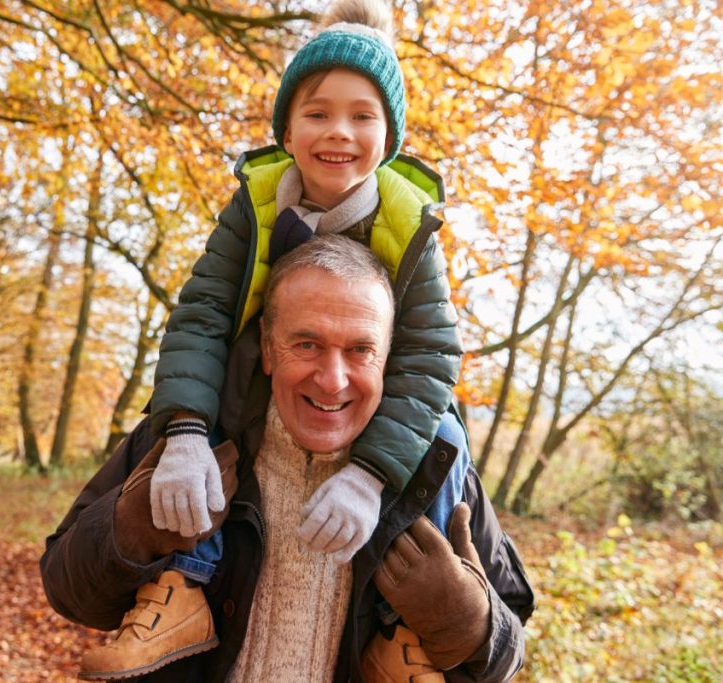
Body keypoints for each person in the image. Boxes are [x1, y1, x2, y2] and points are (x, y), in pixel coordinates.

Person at [79, 0, 464, 675]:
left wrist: (371, 475)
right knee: (215, 397)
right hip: (258, 383)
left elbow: (430, 356)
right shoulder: (255, 204)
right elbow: (201, 313)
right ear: (287, 127)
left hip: (376, 416)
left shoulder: (412, 225)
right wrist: (186, 431)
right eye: (317, 113)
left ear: (390, 134)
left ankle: (402, 633)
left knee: (446, 436)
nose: (338, 132)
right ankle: (181, 581)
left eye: (362, 115)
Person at [41, 236, 534, 682]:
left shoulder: (436, 462)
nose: (333, 379)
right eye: (307, 343)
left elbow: (509, 649)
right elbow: (65, 588)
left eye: (361, 350)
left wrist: (465, 620)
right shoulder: (185, 438)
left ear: (386, 358)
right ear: (268, 350)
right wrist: (133, 528)